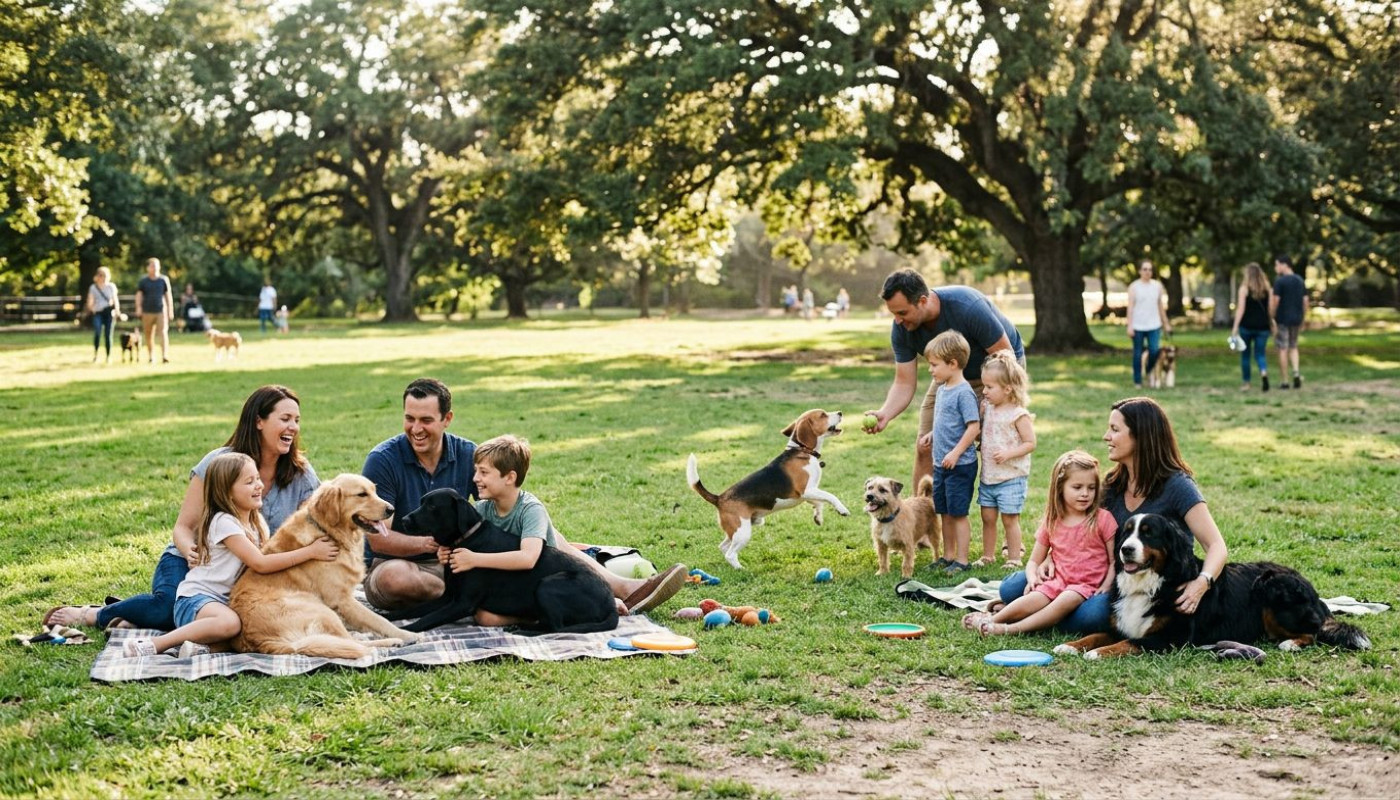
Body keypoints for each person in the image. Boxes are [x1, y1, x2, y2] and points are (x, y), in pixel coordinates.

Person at [362, 378, 686, 614]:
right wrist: (436, 546)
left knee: (538, 529)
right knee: (394, 579)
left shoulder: (466, 455)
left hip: (464, 563)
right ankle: (479, 602)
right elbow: (380, 538)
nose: (416, 428)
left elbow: (507, 507)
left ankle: (622, 588)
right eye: (409, 418)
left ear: (447, 419)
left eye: (426, 420)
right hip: (406, 565)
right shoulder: (385, 459)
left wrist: (547, 537)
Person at [43, 385, 320, 631]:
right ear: (259, 421)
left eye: (296, 420)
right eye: (284, 419)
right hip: (192, 563)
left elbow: (315, 526)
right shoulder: (219, 463)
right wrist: (189, 550)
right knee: (169, 608)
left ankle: (137, 619)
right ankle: (95, 614)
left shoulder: (300, 474)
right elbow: (183, 527)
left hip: (238, 574)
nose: (293, 427)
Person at [996, 396, 1229, 632]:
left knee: (1090, 618)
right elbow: (1080, 529)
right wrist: (1049, 557)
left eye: (1115, 430)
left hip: (1144, 583)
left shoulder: (1177, 486)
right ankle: (1048, 611)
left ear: (1140, 436)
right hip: (1092, 573)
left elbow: (1216, 545)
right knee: (1011, 589)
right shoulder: (1112, 483)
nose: (1106, 436)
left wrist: (1202, 583)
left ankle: (1046, 613)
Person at [121, 452, 339, 658]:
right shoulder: (224, 523)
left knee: (250, 629)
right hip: (197, 599)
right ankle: (156, 644)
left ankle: (197, 649)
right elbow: (261, 563)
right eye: (249, 482)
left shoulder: (256, 523)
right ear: (227, 492)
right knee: (231, 623)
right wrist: (310, 552)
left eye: (257, 479)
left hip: (227, 603)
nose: (259, 486)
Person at [864, 269, 1024, 493]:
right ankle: (923, 520)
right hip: (950, 375)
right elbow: (904, 382)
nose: (897, 320)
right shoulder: (901, 328)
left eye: (902, 312)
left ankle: (1000, 509)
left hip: (999, 370)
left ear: (922, 300)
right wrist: (885, 413)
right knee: (924, 446)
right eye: (893, 314)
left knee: (992, 444)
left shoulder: (968, 307)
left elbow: (1006, 359)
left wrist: (991, 401)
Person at [964, 451, 1115, 636]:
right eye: (1077, 487)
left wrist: (1106, 586)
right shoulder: (1052, 521)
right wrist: (1033, 578)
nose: (1085, 494)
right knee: (1035, 597)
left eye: (1091, 488)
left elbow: (1114, 560)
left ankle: (1009, 629)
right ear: (1060, 488)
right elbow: (1034, 561)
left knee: (1066, 599)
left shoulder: (1103, 519)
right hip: (1057, 580)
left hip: (1086, 585)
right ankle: (991, 620)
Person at [435, 435, 574, 626]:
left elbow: (528, 558)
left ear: (509, 477)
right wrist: (447, 553)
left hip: (543, 583)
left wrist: (474, 559)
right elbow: (463, 541)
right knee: (483, 616)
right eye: (476, 471)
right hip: (508, 583)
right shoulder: (482, 509)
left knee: (487, 617)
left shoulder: (530, 509)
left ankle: (539, 616)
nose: (475, 478)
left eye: (483, 472)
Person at [922, 331, 981, 574]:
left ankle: (963, 560)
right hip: (941, 464)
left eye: (934, 365)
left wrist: (956, 453)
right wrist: (932, 434)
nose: (930, 370)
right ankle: (947, 556)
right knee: (944, 511)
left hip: (960, 465)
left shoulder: (964, 392)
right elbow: (947, 421)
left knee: (958, 514)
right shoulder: (944, 388)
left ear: (953, 364)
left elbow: (973, 426)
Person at [974, 352, 1036, 569]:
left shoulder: (1018, 414)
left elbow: (1030, 443)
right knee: (988, 517)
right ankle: (988, 555)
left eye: (989, 387)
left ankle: (1014, 557)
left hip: (1011, 476)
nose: (984, 391)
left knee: (1010, 519)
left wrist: (1009, 454)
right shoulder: (988, 408)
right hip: (989, 475)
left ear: (1007, 388)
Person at [1125, 259, 1170, 389]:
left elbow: (1160, 306)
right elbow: (1130, 308)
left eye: (1150, 269)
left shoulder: (1157, 286)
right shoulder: (1134, 287)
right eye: (1145, 269)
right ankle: (1138, 381)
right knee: (1138, 354)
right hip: (1138, 326)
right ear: (1139, 271)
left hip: (1154, 325)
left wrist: (1166, 323)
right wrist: (1129, 325)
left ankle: (1149, 372)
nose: (1147, 272)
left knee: (1154, 351)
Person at [1231, 262, 1275, 392]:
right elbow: (1270, 310)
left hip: (1246, 326)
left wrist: (1235, 326)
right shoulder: (1267, 289)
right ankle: (1263, 372)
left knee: (1245, 355)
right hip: (1263, 327)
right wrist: (1272, 322)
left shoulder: (1244, 289)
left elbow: (1241, 309)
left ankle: (1246, 382)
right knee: (1260, 354)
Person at [1270, 254, 1308, 389]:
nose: (1276, 268)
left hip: (1282, 319)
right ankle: (1296, 372)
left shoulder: (1280, 282)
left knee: (1282, 348)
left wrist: (1272, 317)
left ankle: (1285, 380)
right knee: (1293, 346)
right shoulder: (1299, 280)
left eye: (1277, 264)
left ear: (1284, 265)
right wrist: (1303, 317)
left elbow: (1275, 301)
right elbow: (1305, 301)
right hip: (1296, 318)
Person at [134, 257, 174, 364]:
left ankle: (165, 355)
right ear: (148, 268)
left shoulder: (163, 280)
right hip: (147, 311)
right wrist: (138, 308)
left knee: (163, 333)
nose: (154, 268)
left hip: (160, 310)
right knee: (148, 334)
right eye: (152, 266)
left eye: (156, 265)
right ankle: (151, 356)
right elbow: (139, 295)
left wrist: (170, 310)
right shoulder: (143, 281)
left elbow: (168, 295)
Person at [86, 266, 122, 363]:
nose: (103, 277)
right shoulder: (93, 288)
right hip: (98, 313)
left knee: (108, 334)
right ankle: (96, 354)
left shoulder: (111, 287)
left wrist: (117, 310)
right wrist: (92, 308)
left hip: (109, 313)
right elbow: (90, 301)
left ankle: (108, 356)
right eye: (101, 275)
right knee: (97, 332)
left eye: (105, 275)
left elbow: (115, 300)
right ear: (98, 276)